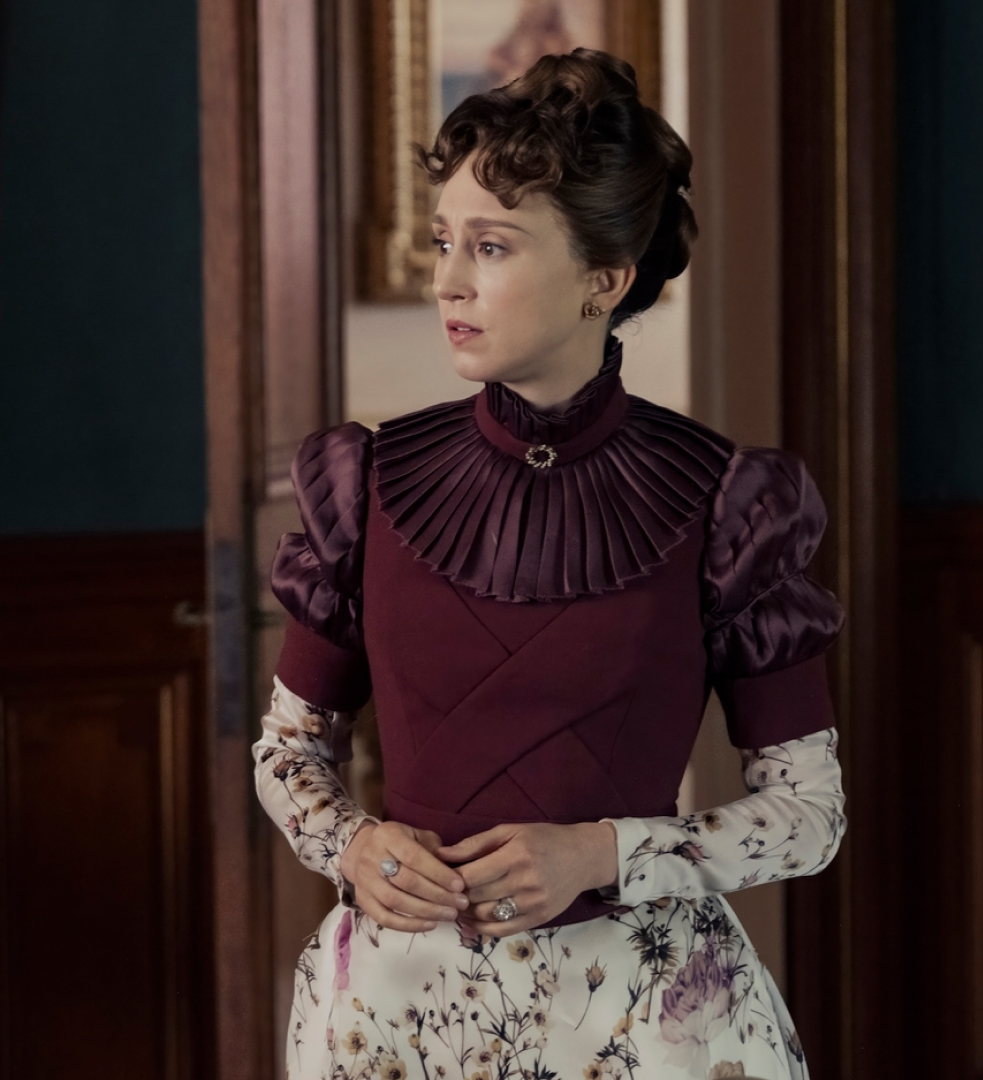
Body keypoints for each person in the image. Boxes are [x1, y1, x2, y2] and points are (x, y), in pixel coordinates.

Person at [253, 48, 847, 1080]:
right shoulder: (366, 481)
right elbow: (286, 754)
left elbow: (810, 816)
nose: (446, 281)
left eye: (491, 247)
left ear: (603, 279)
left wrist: (604, 854)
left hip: (648, 1024)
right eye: (445, 241)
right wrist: (350, 845)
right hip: (400, 1024)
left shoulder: (726, 505)